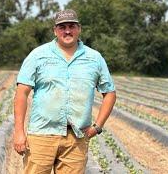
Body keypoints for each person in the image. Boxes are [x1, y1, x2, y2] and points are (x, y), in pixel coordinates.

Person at [14, 9, 116, 174]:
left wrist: (97, 127)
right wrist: (19, 131)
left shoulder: (94, 58)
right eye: (62, 27)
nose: (67, 31)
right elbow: (22, 93)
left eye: (71, 26)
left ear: (79, 29)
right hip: (41, 135)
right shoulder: (38, 55)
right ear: (55, 30)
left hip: (77, 138)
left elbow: (110, 93)